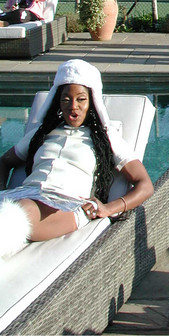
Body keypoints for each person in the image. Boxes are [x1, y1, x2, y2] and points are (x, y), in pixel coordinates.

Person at [0, 59, 154, 259]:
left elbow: (145, 185)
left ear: (91, 102)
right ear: (58, 101)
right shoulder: (42, 133)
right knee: (21, 208)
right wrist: (3, 190)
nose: (73, 107)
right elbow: (4, 161)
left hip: (67, 204)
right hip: (26, 195)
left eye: (81, 99)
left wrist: (109, 208)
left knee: (22, 211)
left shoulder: (106, 138)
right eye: (66, 100)